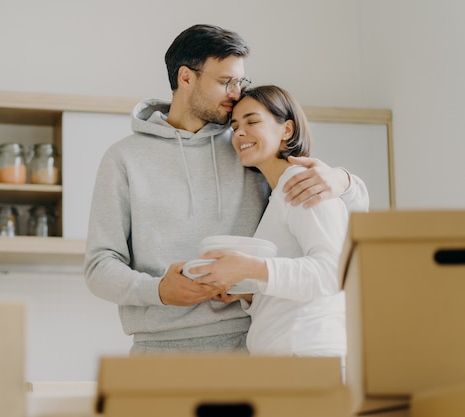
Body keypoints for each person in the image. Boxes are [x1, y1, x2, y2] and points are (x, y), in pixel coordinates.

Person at [84, 24, 368, 354]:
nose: (235, 93)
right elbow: (99, 266)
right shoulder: (124, 158)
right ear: (186, 78)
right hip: (157, 351)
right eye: (225, 82)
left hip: (246, 346)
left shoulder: (247, 147)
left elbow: (344, 210)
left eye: (239, 82)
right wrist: (158, 290)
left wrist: (343, 180)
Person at [191, 85, 349, 358]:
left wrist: (251, 267)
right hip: (288, 357)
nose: (239, 132)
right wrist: (248, 290)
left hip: (308, 355)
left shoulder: (301, 184)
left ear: (286, 130)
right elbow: (293, 285)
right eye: (235, 125)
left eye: (252, 121)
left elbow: (332, 273)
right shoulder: (277, 195)